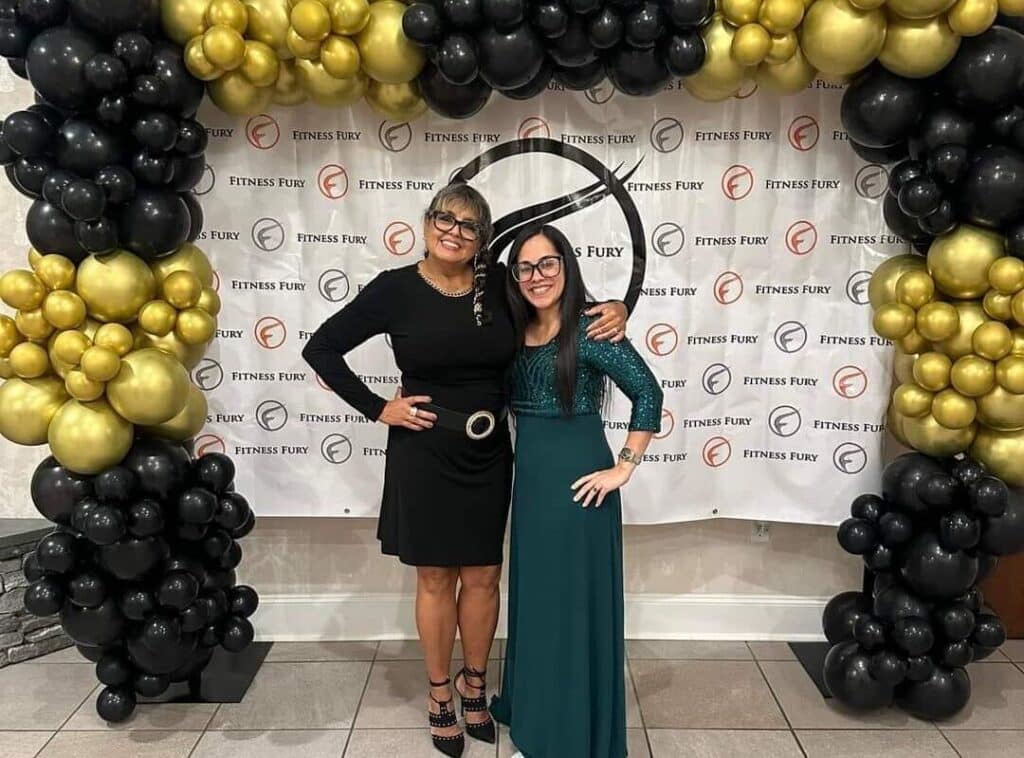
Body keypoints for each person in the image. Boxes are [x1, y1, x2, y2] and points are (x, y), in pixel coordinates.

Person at [302, 185, 629, 757]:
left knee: (482, 576)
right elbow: (322, 348)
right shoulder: (395, 289)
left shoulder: (499, 284)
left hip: (488, 454)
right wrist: (380, 407)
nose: (453, 231)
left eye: (469, 226)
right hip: (423, 453)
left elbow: (559, 303)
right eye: (443, 219)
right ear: (427, 223)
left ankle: (474, 686)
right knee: (434, 579)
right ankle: (437, 696)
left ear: (481, 238)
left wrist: (616, 310)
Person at [490, 225, 663, 758]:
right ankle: (535, 712)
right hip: (534, 480)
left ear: (566, 267)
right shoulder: (510, 327)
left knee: (568, 607)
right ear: (513, 276)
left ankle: (561, 736)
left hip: (579, 485)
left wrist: (624, 466)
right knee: (537, 601)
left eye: (548, 264)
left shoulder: (592, 329)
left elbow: (648, 394)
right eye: (525, 267)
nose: (536, 276)